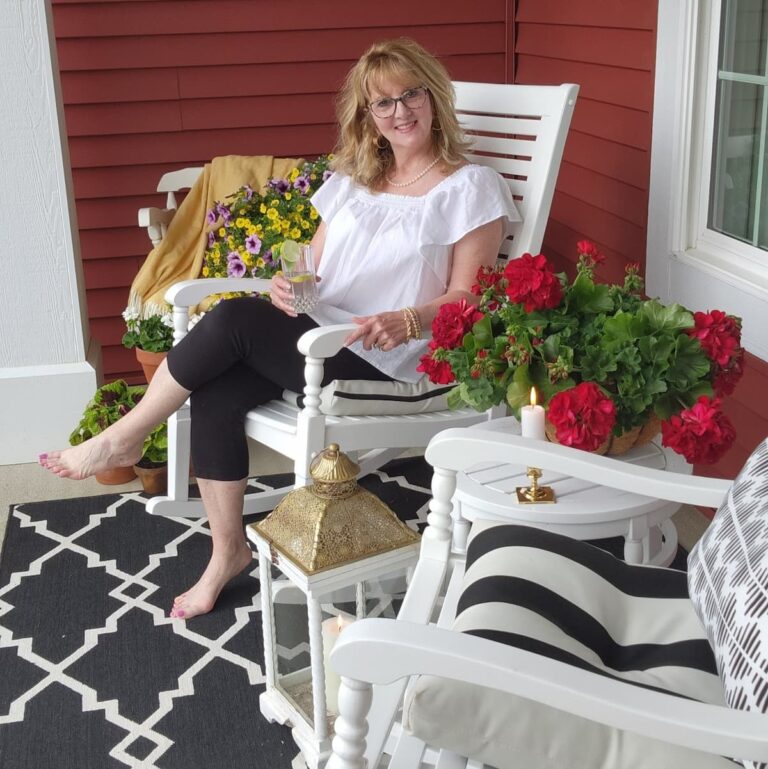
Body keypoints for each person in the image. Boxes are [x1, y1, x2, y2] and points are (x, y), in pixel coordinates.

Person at [39, 38, 520, 620]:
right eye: (382, 102)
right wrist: (286, 285)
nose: (400, 111)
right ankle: (228, 552)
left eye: (410, 94)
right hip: (318, 333)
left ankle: (126, 436)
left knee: (234, 318)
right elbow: (307, 268)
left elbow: (472, 296)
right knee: (218, 385)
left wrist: (410, 318)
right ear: (367, 117)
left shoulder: (470, 187)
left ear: (433, 96)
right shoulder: (354, 181)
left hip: (383, 356)